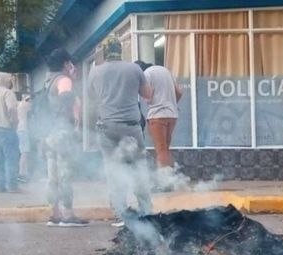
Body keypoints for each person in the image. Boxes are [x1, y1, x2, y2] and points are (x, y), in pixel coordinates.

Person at [87, 36, 153, 226]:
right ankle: (146, 212)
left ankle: (120, 214)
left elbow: (91, 104)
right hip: (131, 127)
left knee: (113, 170)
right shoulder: (134, 68)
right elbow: (148, 95)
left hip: (106, 128)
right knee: (138, 168)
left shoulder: (95, 72)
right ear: (120, 49)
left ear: (105, 52)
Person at [43, 48, 89, 227]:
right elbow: (66, 98)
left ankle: (53, 214)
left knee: (52, 176)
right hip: (62, 133)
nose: (72, 65)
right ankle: (67, 215)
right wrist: (71, 80)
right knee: (65, 174)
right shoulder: (63, 80)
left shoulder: (48, 80)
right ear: (65, 63)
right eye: (70, 62)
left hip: (50, 133)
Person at [135, 60, 183, 187]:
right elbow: (179, 92)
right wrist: (171, 103)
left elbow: (148, 95)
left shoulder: (146, 74)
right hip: (172, 115)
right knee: (166, 149)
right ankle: (173, 180)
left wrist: (144, 97)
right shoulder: (165, 71)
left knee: (160, 150)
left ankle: (164, 183)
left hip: (157, 115)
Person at [17, 94, 32, 183]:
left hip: (19, 129)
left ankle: (24, 173)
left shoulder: (18, 105)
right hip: (23, 130)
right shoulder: (24, 104)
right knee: (24, 153)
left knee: (23, 153)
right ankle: (22, 173)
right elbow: (30, 107)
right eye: (29, 99)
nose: (30, 101)